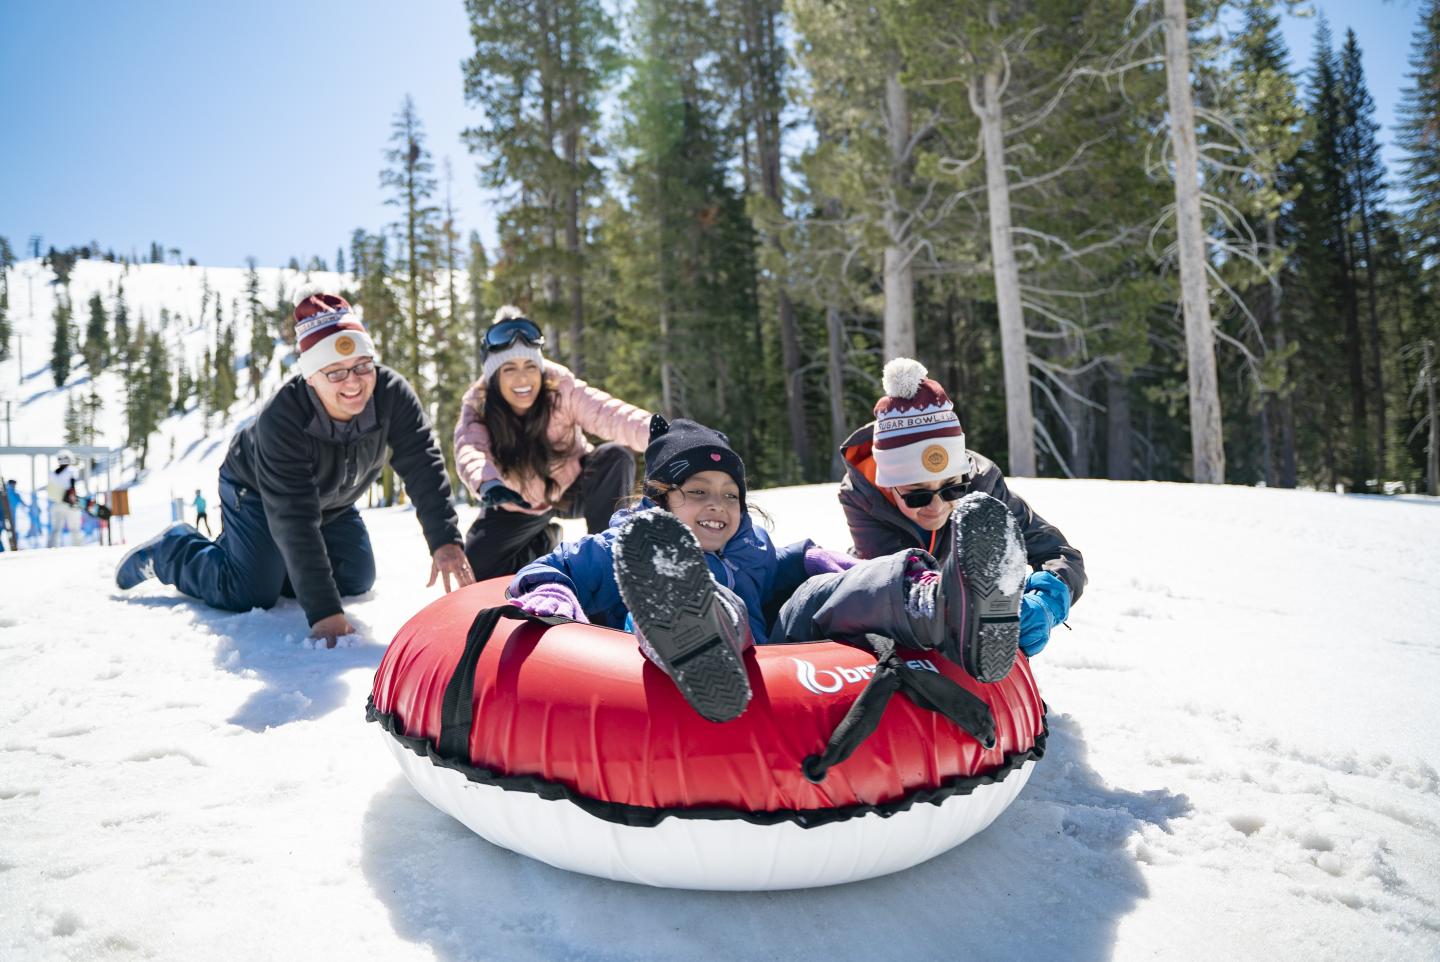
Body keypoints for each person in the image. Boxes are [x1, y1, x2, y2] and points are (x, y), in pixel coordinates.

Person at [508, 415, 1029, 723]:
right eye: (698, 493)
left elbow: (788, 564)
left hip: (770, 647)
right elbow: (548, 569)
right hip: (695, 647)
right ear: (660, 499)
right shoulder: (628, 541)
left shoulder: (751, 544)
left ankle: (943, 605)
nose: (718, 505)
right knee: (706, 594)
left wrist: (828, 567)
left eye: (730, 495)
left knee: (823, 593)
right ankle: (694, 629)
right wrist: (556, 605)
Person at [115, 293, 474, 646]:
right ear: (311, 377)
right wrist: (324, 613)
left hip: (332, 500)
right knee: (250, 592)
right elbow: (294, 518)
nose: (353, 382)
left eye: (363, 366)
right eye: (335, 372)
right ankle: (174, 549)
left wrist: (444, 540)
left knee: (355, 579)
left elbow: (422, 463)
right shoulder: (283, 418)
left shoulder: (391, 394)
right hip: (256, 493)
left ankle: (271, 561)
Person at [837, 358, 1085, 661]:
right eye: (917, 496)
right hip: (906, 591)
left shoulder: (982, 482)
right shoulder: (864, 498)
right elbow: (894, 582)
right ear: (888, 486)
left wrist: (1048, 601)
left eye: (952, 488)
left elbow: (1057, 551)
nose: (938, 507)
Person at [454, 306, 653, 580]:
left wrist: (659, 434)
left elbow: (610, 414)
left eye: (530, 367)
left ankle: (608, 560)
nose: (523, 379)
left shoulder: (561, 386)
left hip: (572, 486)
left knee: (614, 456)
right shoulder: (478, 405)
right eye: (509, 369)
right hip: (515, 499)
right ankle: (541, 542)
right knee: (478, 569)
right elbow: (470, 448)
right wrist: (487, 482)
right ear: (494, 377)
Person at [46, 449, 83, 548]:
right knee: (74, 528)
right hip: (69, 504)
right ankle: (78, 547)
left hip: (56, 504)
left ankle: (51, 548)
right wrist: (74, 501)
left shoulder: (53, 474)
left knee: (56, 529)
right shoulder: (71, 470)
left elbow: (50, 490)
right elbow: (72, 487)